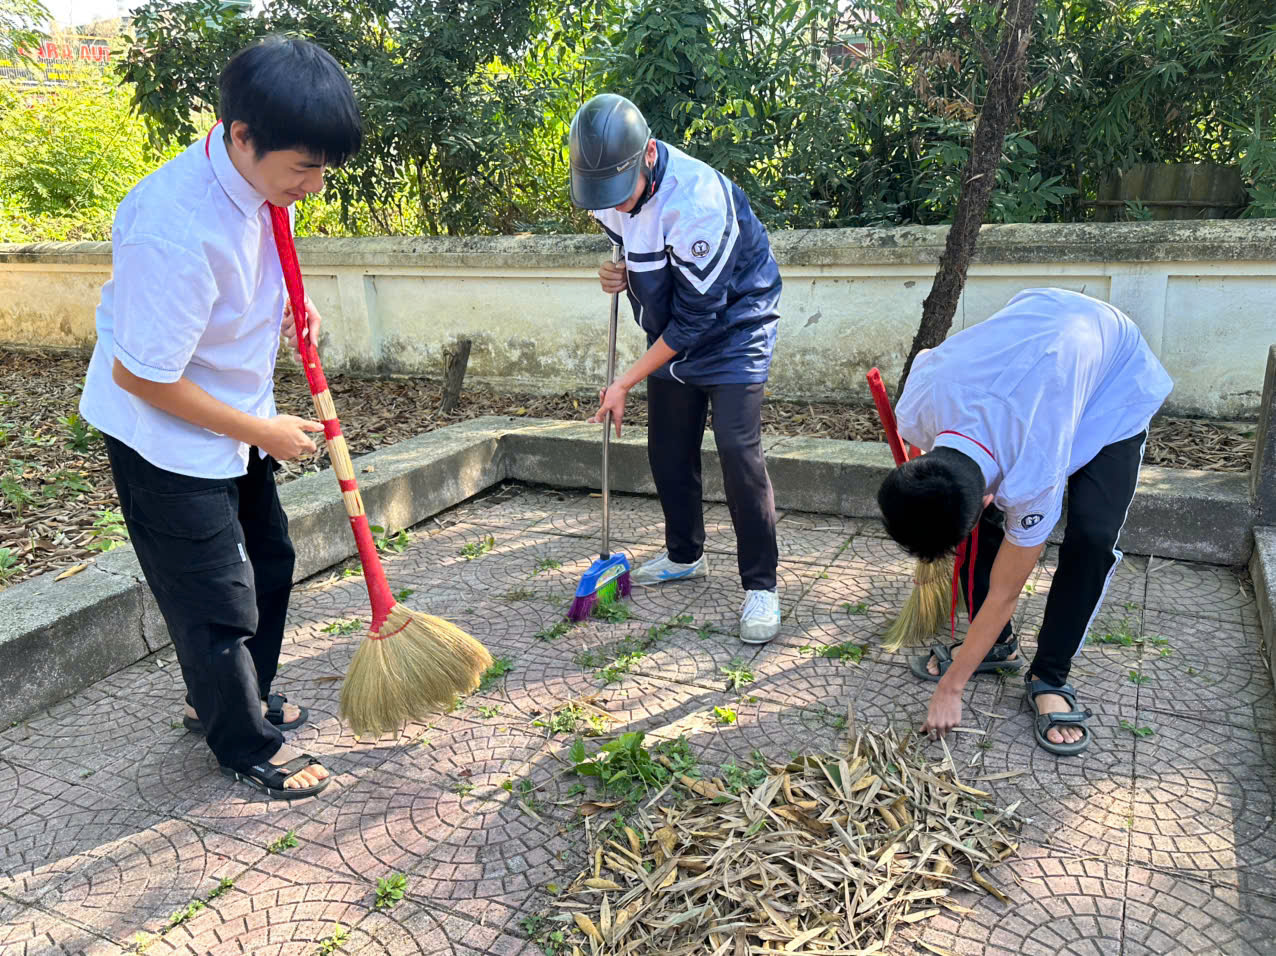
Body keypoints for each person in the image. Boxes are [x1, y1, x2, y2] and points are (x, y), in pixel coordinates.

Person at [79, 37, 363, 798]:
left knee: (270, 562)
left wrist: (292, 319)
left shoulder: (265, 185)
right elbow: (141, 374)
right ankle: (244, 745)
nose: (314, 184)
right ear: (242, 136)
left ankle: (232, 697)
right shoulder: (173, 225)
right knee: (213, 599)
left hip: (231, 416)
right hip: (163, 434)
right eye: (303, 167)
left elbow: (250, 284)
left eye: (323, 167)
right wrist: (265, 431)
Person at [876, 288, 1172, 755]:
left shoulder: (1034, 471)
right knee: (985, 516)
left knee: (1092, 537)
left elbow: (1006, 589)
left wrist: (952, 686)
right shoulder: (922, 399)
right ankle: (997, 648)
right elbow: (928, 431)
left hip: (1113, 375)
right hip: (1043, 338)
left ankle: (1050, 675)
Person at [569, 94, 783, 644]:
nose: (613, 206)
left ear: (648, 156)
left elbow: (697, 319)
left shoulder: (698, 203)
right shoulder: (607, 188)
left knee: (737, 450)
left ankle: (761, 587)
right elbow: (625, 240)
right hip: (670, 326)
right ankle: (686, 555)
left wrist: (625, 380)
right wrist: (614, 271)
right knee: (667, 449)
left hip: (736, 325)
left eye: (621, 194)